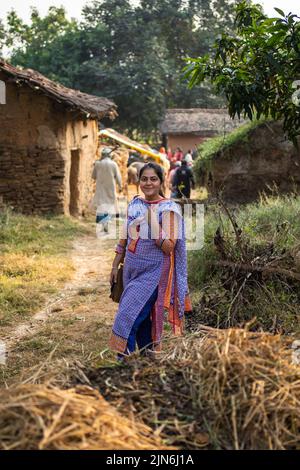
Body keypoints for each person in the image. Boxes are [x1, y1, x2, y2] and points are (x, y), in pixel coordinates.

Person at [109, 162, 192, 358]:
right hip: (131, 270)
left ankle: (123, 365)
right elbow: (125, 236)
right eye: (144, 179)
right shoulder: (136, 203)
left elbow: (169, 246)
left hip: (153, 275)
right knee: (143, 319)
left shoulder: (169, 209)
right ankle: (148, 360)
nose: (148, 183)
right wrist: (115, 264)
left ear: (162, 182)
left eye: (153, 179)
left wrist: (152, 221)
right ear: (139, 181)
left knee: (128, 318)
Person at [92, 147, 122, 233]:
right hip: (110, 189)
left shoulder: (98, 164)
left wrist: (97, 165)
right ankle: (107, 223)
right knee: (109, 206)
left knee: (101, 206)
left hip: (100, 189)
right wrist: (120, 186)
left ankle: (104, 224)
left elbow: (93, 176)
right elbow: (118, 177)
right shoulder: (113, 164)